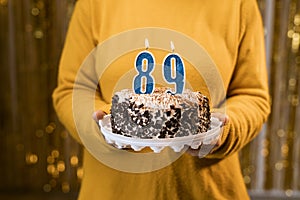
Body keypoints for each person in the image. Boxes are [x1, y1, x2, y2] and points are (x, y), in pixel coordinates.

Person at [52, 0, 270, 199]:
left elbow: (252, 95)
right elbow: (73, 89)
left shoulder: (238, 5)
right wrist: (107, 126)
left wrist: (224, 131)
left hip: (206, 191)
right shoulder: (95, 4)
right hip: (112, 191)